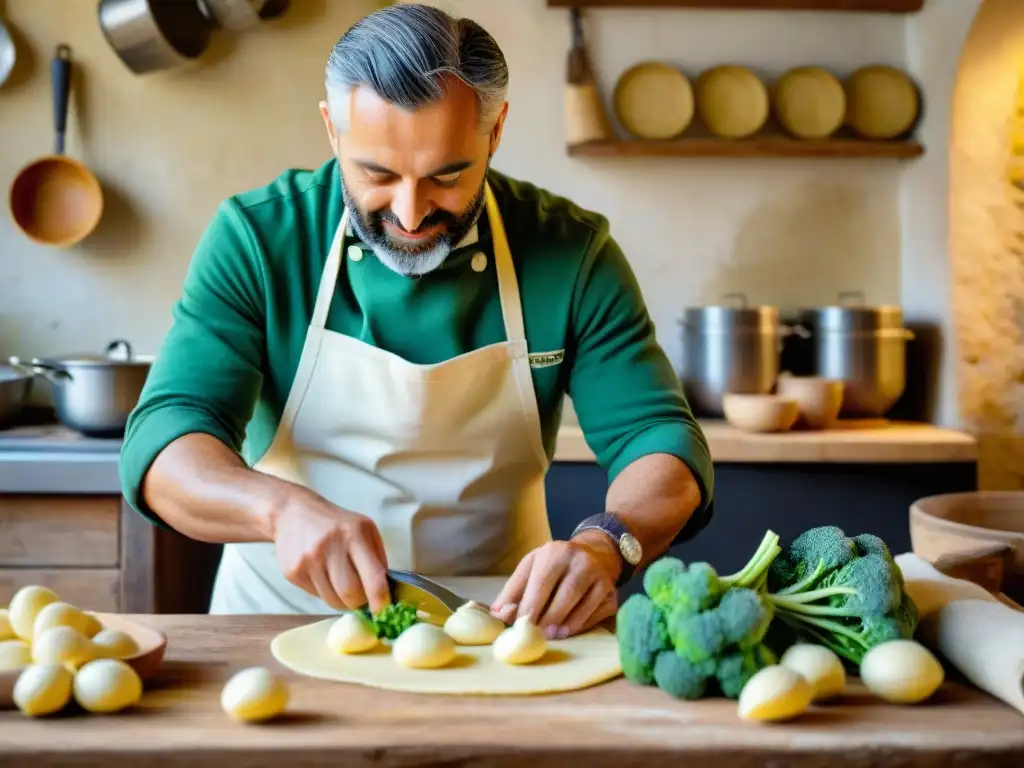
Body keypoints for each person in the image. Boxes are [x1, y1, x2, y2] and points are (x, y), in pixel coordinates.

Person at [118, 4, 714, 639]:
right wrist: (278, 509)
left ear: (496, 130)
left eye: (446, 175)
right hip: (277, 622)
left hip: (500, 628)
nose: (409, 212)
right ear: (332, 130)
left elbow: (660, 441)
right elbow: (165, 444)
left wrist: (607, 543)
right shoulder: (260, 240)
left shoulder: (570, 254)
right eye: (377, 173)